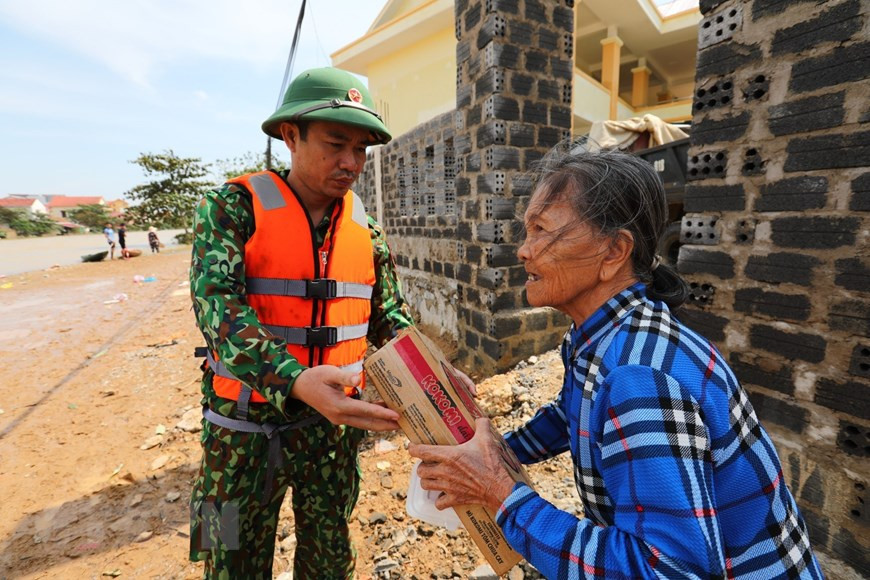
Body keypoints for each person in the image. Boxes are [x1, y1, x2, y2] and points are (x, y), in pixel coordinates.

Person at [409, 145, 823, 579]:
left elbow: (668, 569)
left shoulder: (638, 379)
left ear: (612, 252)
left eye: (541, 230)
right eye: (526, 230)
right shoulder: (600, 337)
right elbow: (571, 415)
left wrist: (501, 493)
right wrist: (496, 452)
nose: (523, 251)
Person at [188, 67, 473, 579]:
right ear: (291, 135)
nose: (352, 163)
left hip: (331, 432)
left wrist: (434, 376)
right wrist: (295, 381)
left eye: (361, 149)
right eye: (337, 143)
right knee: (221, 552)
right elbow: (217, 311)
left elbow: (389, 316)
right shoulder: (230, 207)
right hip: (236, 433)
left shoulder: (368, 231)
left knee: (331, 558)